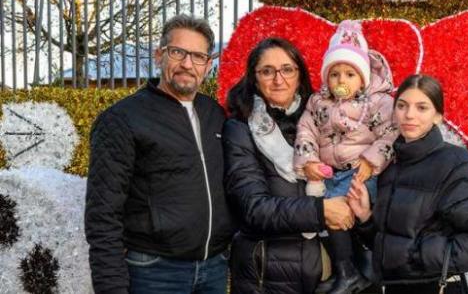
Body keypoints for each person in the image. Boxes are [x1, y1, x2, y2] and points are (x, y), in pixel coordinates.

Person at [85, 15, 233, 294]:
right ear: (159, 55)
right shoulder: (122, 119)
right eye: (178, 52)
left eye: (198, 56)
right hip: (154, 271)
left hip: (214, 267)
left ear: (208, 64)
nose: (187, 64)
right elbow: (103, 214)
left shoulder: (215, 114)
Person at [223, 37, 356, 294]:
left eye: (287, 69)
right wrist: (320, 211)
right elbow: (253, 208)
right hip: (267, 275)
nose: (278, 79)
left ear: (299, 74)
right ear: (253, 77)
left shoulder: (321, 119)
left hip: (324, 271)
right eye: (266, 71)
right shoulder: (240, 129)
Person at [347, 75, 468, 294]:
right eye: (402, 105)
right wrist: (365, 218)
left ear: (437, 116)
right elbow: (392, 246)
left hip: (436, 288)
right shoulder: (390, 165)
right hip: (393, 288)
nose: (409, 115)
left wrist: (416, 256)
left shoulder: (453, 162)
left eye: (422, 107)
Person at [293, 20, 397, 294]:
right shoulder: (318, 102)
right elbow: (305, 130)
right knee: (329, 219)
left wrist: (371, 161)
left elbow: (391, 133)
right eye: (335, 74)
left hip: (360, 172)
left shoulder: (377, 102)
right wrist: (309, 161)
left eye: (350, 74)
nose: (341, 80)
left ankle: (353, 273)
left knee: (344, 216)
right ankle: (346, 272)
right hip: (330, 173)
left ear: (362, 78)